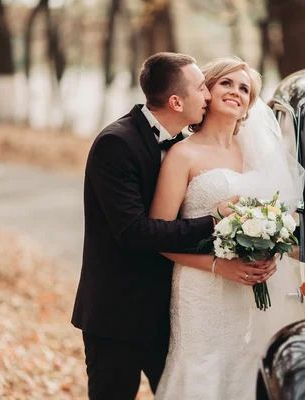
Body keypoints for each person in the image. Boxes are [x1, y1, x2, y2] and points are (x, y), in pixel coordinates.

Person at [71, 52, 277, 400]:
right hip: (119, 311)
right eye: (205, 88)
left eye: (244, 89)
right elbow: (135, 231)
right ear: (177, 100)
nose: (210, 96)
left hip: (170, 308)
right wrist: (217, 223)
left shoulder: (175, 143)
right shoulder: (118, 143)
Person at [151, 56, 305, 400]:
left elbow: (283, 221)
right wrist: (219, 265)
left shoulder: (257, 157)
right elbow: (158, 235)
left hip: (246, 291)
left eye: (244, 88)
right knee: (202, 368)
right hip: (200, 288)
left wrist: (271, 256)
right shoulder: (182, 155)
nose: (236, 91)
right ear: (206, 90)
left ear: (249, 104)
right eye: (226, 83)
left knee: (243, 365)